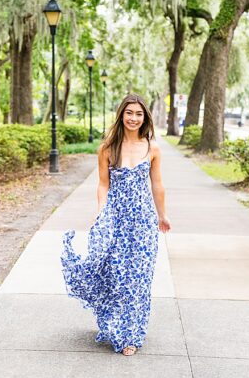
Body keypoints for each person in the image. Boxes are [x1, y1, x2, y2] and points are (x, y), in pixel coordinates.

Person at [61, 93, 171, 356]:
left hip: (143, 221)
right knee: (116, 275)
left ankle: (131, 334)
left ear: (145, 118)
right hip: (115, 219)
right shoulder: (107, 148)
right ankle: (115, 325)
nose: (134, 118)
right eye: (129, 113)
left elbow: (157, 185)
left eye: (139, 114)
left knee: (138, 279)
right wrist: (101, 213)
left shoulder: (152, 147)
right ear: (121, 115)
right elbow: (103, 185)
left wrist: (162, 215)